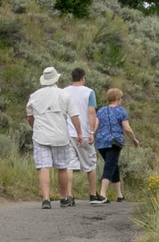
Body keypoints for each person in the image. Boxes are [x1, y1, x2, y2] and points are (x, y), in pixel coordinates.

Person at [26, 67, 78, 207]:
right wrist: (79, 133)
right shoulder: (64, 95)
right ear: (56, 79)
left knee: (44, 166)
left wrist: (36, 127)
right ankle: (63, 197)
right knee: (62, 167)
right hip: (60, 135)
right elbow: (74, 116)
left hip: (41, 135)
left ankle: (46, 199)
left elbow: (30, 117)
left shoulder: (34, 96)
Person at [61, 69, 102, 203]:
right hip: (83, 132)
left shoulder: (64, 91)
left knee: (69, 165)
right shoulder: (89, 92)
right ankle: (92, 194)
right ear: (83, 78)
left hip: (68, 132)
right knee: (90, 164)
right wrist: (91, 132)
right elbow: (91, 112)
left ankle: (69, 195)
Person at [93, 87, 132, 203]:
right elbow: (127, 128)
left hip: (101, 142)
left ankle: (119, 195)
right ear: (117, 98)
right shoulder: (121, 111)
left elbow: (95, 126)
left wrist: (91, 136)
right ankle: (102, 193)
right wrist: (134, 139)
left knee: (113, 165)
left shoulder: (101, 111)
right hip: (115, 142)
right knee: (110, 165)